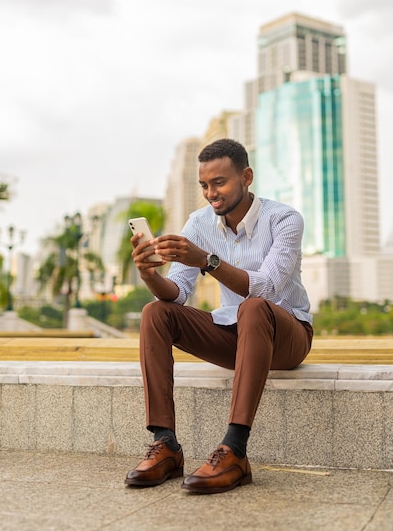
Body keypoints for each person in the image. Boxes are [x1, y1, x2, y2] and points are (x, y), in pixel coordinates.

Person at [125, 138, 313, 494]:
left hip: (288, 336)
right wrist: (149, 273)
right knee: (155, 312)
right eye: (204, 185)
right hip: (237, 336)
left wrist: (206, 261)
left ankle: (235, 450)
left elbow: (265, 289)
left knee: (253, 306)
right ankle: (166, 444)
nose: (211, 193)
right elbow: (177, 294)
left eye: (220, 182)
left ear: (246, 177)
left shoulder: (285, 219)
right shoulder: (199, 223)